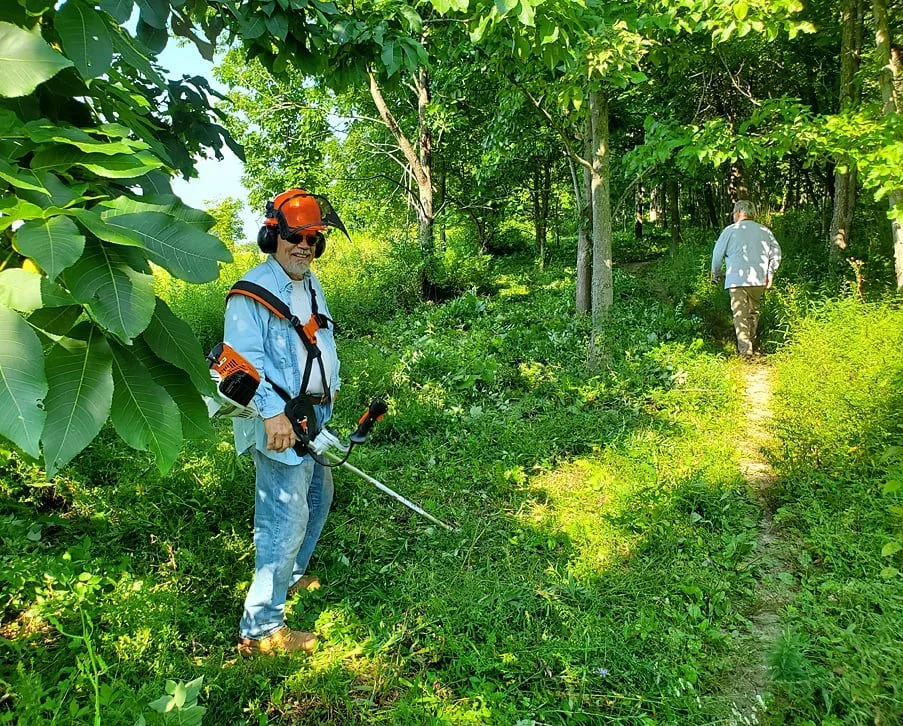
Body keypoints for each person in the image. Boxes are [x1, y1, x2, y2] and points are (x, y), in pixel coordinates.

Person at [225, 188, 344, 656]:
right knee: (282, 517)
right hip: (279, 420)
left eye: (314, 240)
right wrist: (272, 414)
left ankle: (292, 574)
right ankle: (261, 630)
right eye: (297, 236)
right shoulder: (251, 292)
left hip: (315, 413)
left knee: (320, 493)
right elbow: (232, 366)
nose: (305, 247)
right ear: (272, 235)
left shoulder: (309, 284)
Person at [711, 199, 782, 357]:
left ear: (737, 213)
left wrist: (715, 274)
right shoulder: (765, 231)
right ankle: (750, 344)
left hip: (736, 279)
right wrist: (770, 273)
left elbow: (717, 255)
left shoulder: (730, 231)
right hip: (758, 279)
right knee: (753, 313)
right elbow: (776, 253)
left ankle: (746, 351)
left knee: (740, 315)